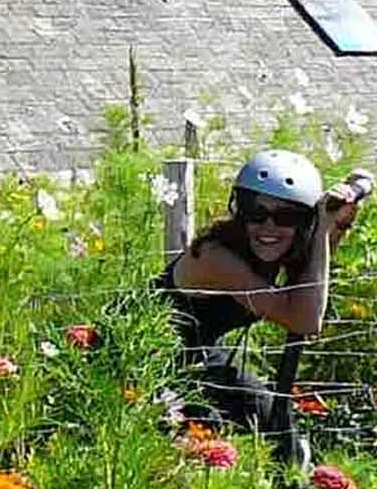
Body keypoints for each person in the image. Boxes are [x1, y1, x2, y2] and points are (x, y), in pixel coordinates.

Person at [155, 149, 368, 432]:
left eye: (286, 217)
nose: (269, 227)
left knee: (271, 422)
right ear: (240, 213)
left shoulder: (279, 245)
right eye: (257, 214)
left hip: (198, 352)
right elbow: (305, 320)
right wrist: (321, 228)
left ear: (303, 222)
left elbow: (311, 276)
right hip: (146, 354)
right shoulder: (217, 257)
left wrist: (332, 223)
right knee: (202, 436)